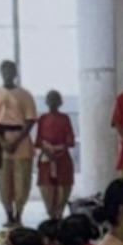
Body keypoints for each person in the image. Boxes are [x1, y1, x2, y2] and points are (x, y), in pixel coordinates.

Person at [0, 59, 38, 226]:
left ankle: (19, 213)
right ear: (0, 72)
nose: (8, 74)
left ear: (16, 73)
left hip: (21, 141)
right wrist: (1, 141)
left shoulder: (25, 95)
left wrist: (16, 141)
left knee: (22, 181)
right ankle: (8, 213)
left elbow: (30, 120)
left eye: (11, 70)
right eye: (4, 70)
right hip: (0, 143)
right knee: (3, 181)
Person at [34, 91, 77, 220]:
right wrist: (47, 150)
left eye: (55, 100)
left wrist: (59, 150)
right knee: (46, 186)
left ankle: (59, 213)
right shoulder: (42, 118)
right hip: (46, 158)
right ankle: (50, 214)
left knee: (63, 186)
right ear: (46, 102)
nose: (53, 103)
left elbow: (70, 140)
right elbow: (38, 140)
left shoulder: (65, 118)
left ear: (60, 102)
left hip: (62, 157)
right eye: (50, 100)